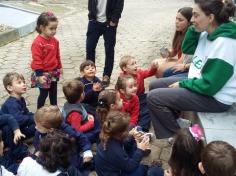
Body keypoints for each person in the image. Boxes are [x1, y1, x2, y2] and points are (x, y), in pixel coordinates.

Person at [147, 0, 236, 139]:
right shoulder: (208, 31)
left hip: (216, 97)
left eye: (195, 15)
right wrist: (194, 28)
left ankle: (182, 138)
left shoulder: (225, 44)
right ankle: (177, 122)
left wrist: (183, 84)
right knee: (153, 85)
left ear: (211, 18)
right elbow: (187, 48)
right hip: (199, 80)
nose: (191, 20)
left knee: (154, 98)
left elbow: (210, 86)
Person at [33, 106, 93, 173]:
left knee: (75, 165)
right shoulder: (40, 131)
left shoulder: (66, 129)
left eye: (38, 126)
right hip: (50, 153)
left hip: (66, 152)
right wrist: (39, 150)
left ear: (51, 130)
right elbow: (36, 141)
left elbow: (80, 137)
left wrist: (87, 150)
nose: (35, 127)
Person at [95, 110, 149, 176]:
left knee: (134, 141)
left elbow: (121, 143)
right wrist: (140, 150)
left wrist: (130, 134)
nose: (129, 127)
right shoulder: (115, 150)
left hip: (111, 163)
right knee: (141, 169)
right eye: (127, 128)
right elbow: (130, 167)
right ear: (121, 133)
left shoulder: (108, 134)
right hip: (113, 173)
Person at [86, 0, 124, 87]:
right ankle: (89, 74)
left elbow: (119, 5)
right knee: (90, 47)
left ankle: (106, 75)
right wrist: (91, 17)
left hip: (109, 23)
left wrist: (114, 20)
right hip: (94, 22)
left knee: (109, 50)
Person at [31, 11, 62, 109]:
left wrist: (59, 66)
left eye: (55, 28)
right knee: (44, 94)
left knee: (53, 92)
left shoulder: (55, 41)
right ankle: (39, 111)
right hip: (43, 73)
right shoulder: (37, 43)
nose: (54, 31)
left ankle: (55, 109)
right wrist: (39, 75)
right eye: (51, 29)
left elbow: (57, 55)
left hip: (53, 71)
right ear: (42, 28)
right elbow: (37, 60)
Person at [119, 55, 158, 131]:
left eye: (135, 63)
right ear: (124, 68)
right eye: (132, 64)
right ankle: (128, 126)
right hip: (127, 100)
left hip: (140, 97)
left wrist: (154, 68)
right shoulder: (122, 78)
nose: (136, 66)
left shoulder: (139, 73)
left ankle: (142, 128)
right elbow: (119, 92)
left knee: (149, 104)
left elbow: (149, 73)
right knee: (125, 113)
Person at [156, 7, 193, 78]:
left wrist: (165, 64)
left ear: (189, 23)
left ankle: (162, 85)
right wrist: (167, 53)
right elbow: (174, 52)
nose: (176, 22)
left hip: (185, 64)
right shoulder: (179, 34)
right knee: (156, 63)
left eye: (180, 20)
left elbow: (182, 60)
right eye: (176, 19)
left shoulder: (189, 37)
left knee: (160, 69)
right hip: (181, 60)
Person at [2, 72, 35, 138]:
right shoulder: (11, 104)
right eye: (19, 83)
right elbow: (19, 120)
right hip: (11, 133)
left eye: (24, 82)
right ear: (10, 88)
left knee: (41, 124)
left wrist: (37, 116)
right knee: (40, 127)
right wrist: (34, 118)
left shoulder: (21, 99)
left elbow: (26, 113)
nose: (24, 84)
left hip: (21, 127)